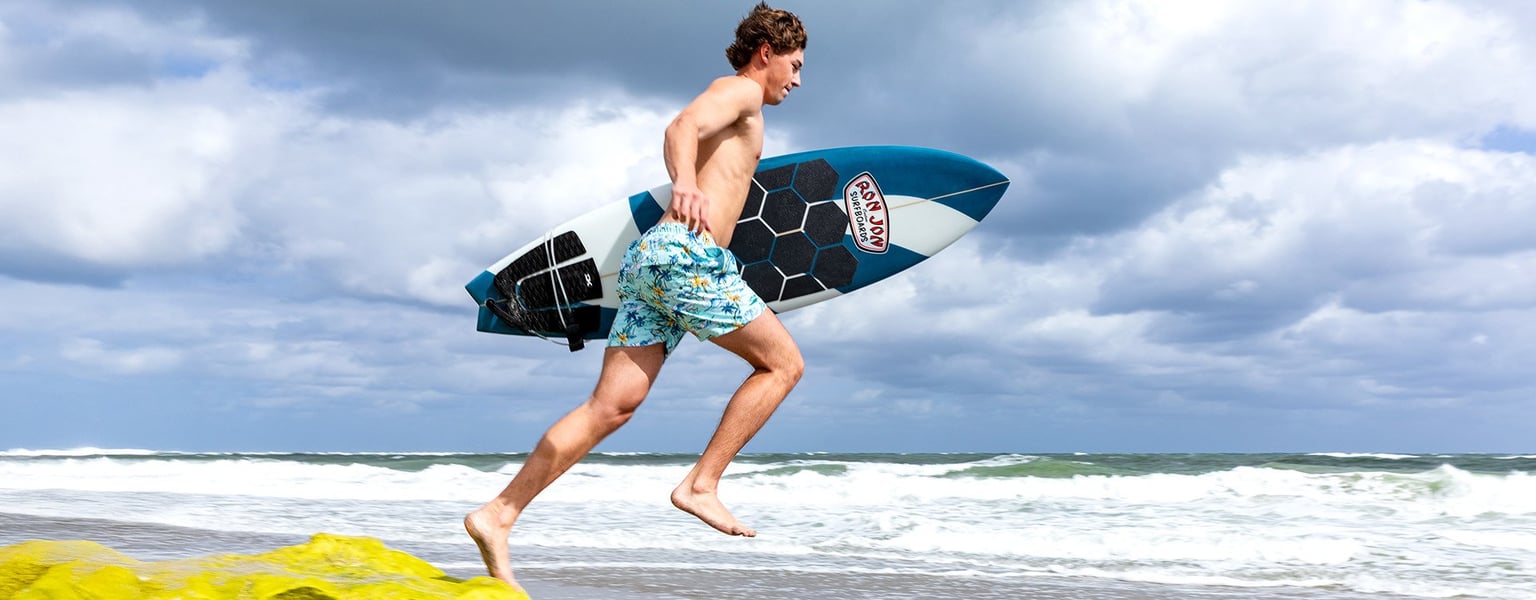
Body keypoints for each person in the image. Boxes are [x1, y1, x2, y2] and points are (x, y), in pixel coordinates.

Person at [464, 2, 807, 589]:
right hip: (687, 259)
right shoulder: (741, 93)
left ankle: (498, 514)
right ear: (766, 53)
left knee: (612, 406)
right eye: (794, 65)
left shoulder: (742, 104)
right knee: (783, 365)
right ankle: (701, 484)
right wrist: (686, 182)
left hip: (652, 263)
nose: (796, 80)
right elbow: (680, 127)